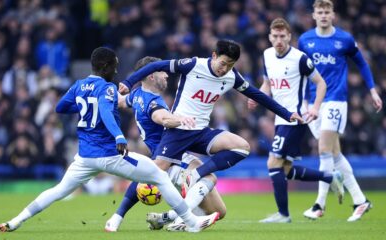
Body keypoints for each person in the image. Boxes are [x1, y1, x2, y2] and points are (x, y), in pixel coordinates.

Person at [0, 47, 219, 233]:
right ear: (106, 67)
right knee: (160, 176)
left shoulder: (79, 85)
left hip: (84, 157)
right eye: (115, 65)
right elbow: (104, 110)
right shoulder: (107, 88)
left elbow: (60, 107)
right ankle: (191, 222)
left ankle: (16, 220)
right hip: (110, 155)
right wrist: (119, 136)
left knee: (58, 191)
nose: (117, 69)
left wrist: (84, 106)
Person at [118, 39, 304, 229]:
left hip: (201, 132)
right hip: (178, 132)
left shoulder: (232, 76)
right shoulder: (193, 65)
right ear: (214, 55)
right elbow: (157, 65)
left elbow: (258, 95)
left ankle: (178, 205)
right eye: (223, 63)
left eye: (230, 65)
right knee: (153, 172)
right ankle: (119, 216)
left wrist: (287, 114)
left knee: (242, 148)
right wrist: (128, 81)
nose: (225, 69)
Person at [105, 56, 226, 232]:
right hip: (172, 156)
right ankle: (181, 222)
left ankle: (158, 218)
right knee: (210, 177)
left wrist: (103, 90)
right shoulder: (154, 102)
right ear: (151, 76)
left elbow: (121, 101)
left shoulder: (137, 94)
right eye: (163, 72)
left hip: (161, 156)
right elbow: (161, 117)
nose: (167, 75)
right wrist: (180, 119)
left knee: (219, 211)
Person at [248, 18, 344, 223]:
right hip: (280, 120)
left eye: (283, 36)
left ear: (290, 37)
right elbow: (267, 84)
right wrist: (257, 98)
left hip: (295, 119)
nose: (279, 40)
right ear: (269, 37)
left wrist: (315, 107)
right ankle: (329, 177)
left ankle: (283, 215)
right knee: (286, 170)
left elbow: (321, 83)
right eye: (275, 36)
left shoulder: (300, 59)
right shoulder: (266, 55)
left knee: (273, 162)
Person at [298, 0, 383, 222]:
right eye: (320, 12)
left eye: (327, 12)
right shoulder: (305, 40)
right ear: (314, 15)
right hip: (315, 102)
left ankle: (319, 204)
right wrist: (303, 101)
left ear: (333, 15)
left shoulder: (344, 39)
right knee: (334, 155)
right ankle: (360, 200)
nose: (324, 15)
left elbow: (362, 64)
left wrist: (372, 91)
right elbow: (301, 72)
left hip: (336, 100)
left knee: (324, 149)